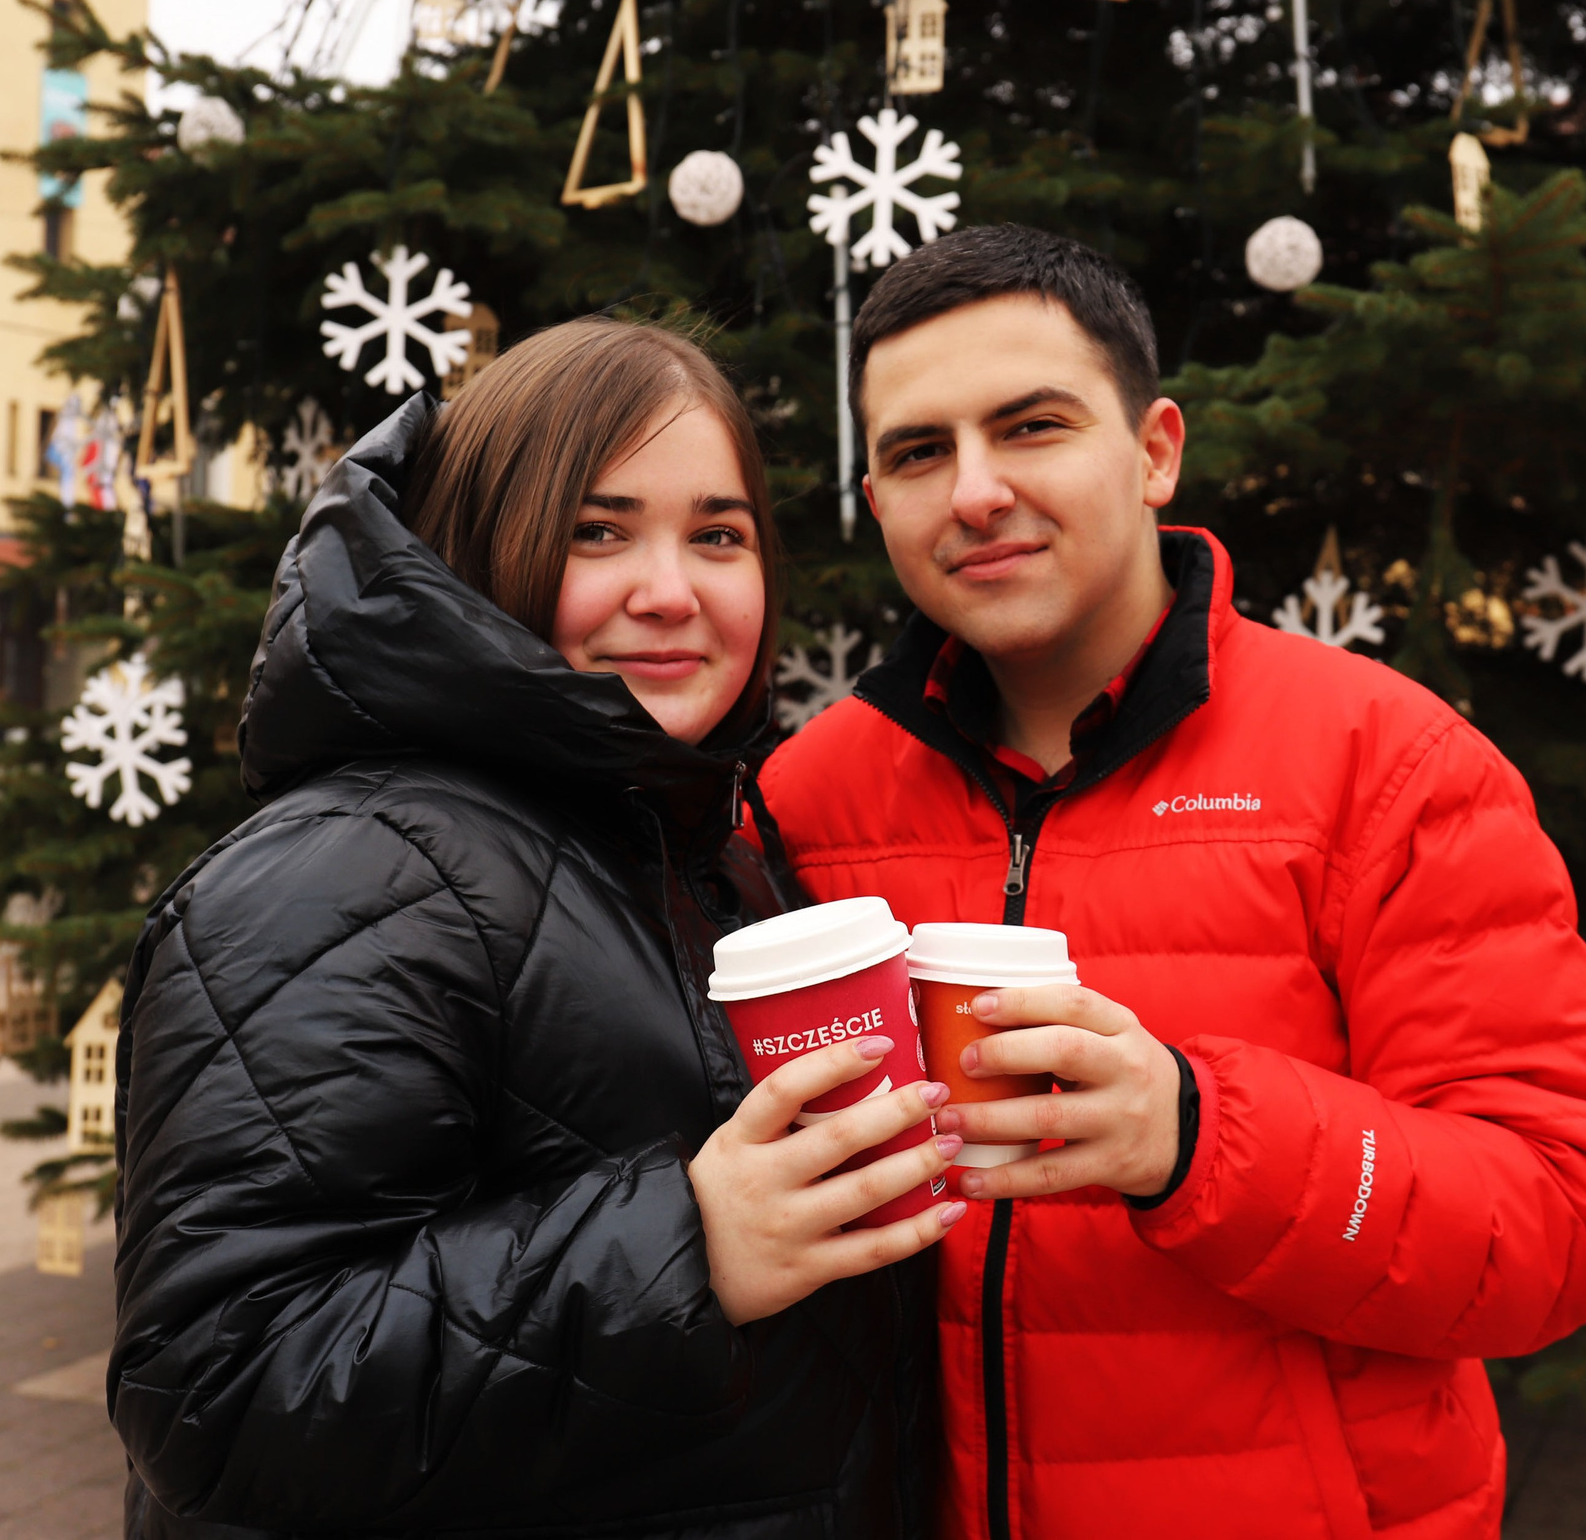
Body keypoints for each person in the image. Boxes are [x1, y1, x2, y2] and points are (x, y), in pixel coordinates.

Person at [756, 227, 1586, 1540]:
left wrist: (1193, 1135)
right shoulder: (804, 796)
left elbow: (1570, 1220)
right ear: (876, 497)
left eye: (1031, 426)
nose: (974, 491)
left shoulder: (1383, 764)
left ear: (1155, 451)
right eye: (917, 452)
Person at [109, 318, 963, 1539]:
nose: (669, 591)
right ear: (486, 546)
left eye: (717, 534)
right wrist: (688, 1248)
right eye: (597, 531)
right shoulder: (348, 869)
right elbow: (219, 1391)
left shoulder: (695, 846)